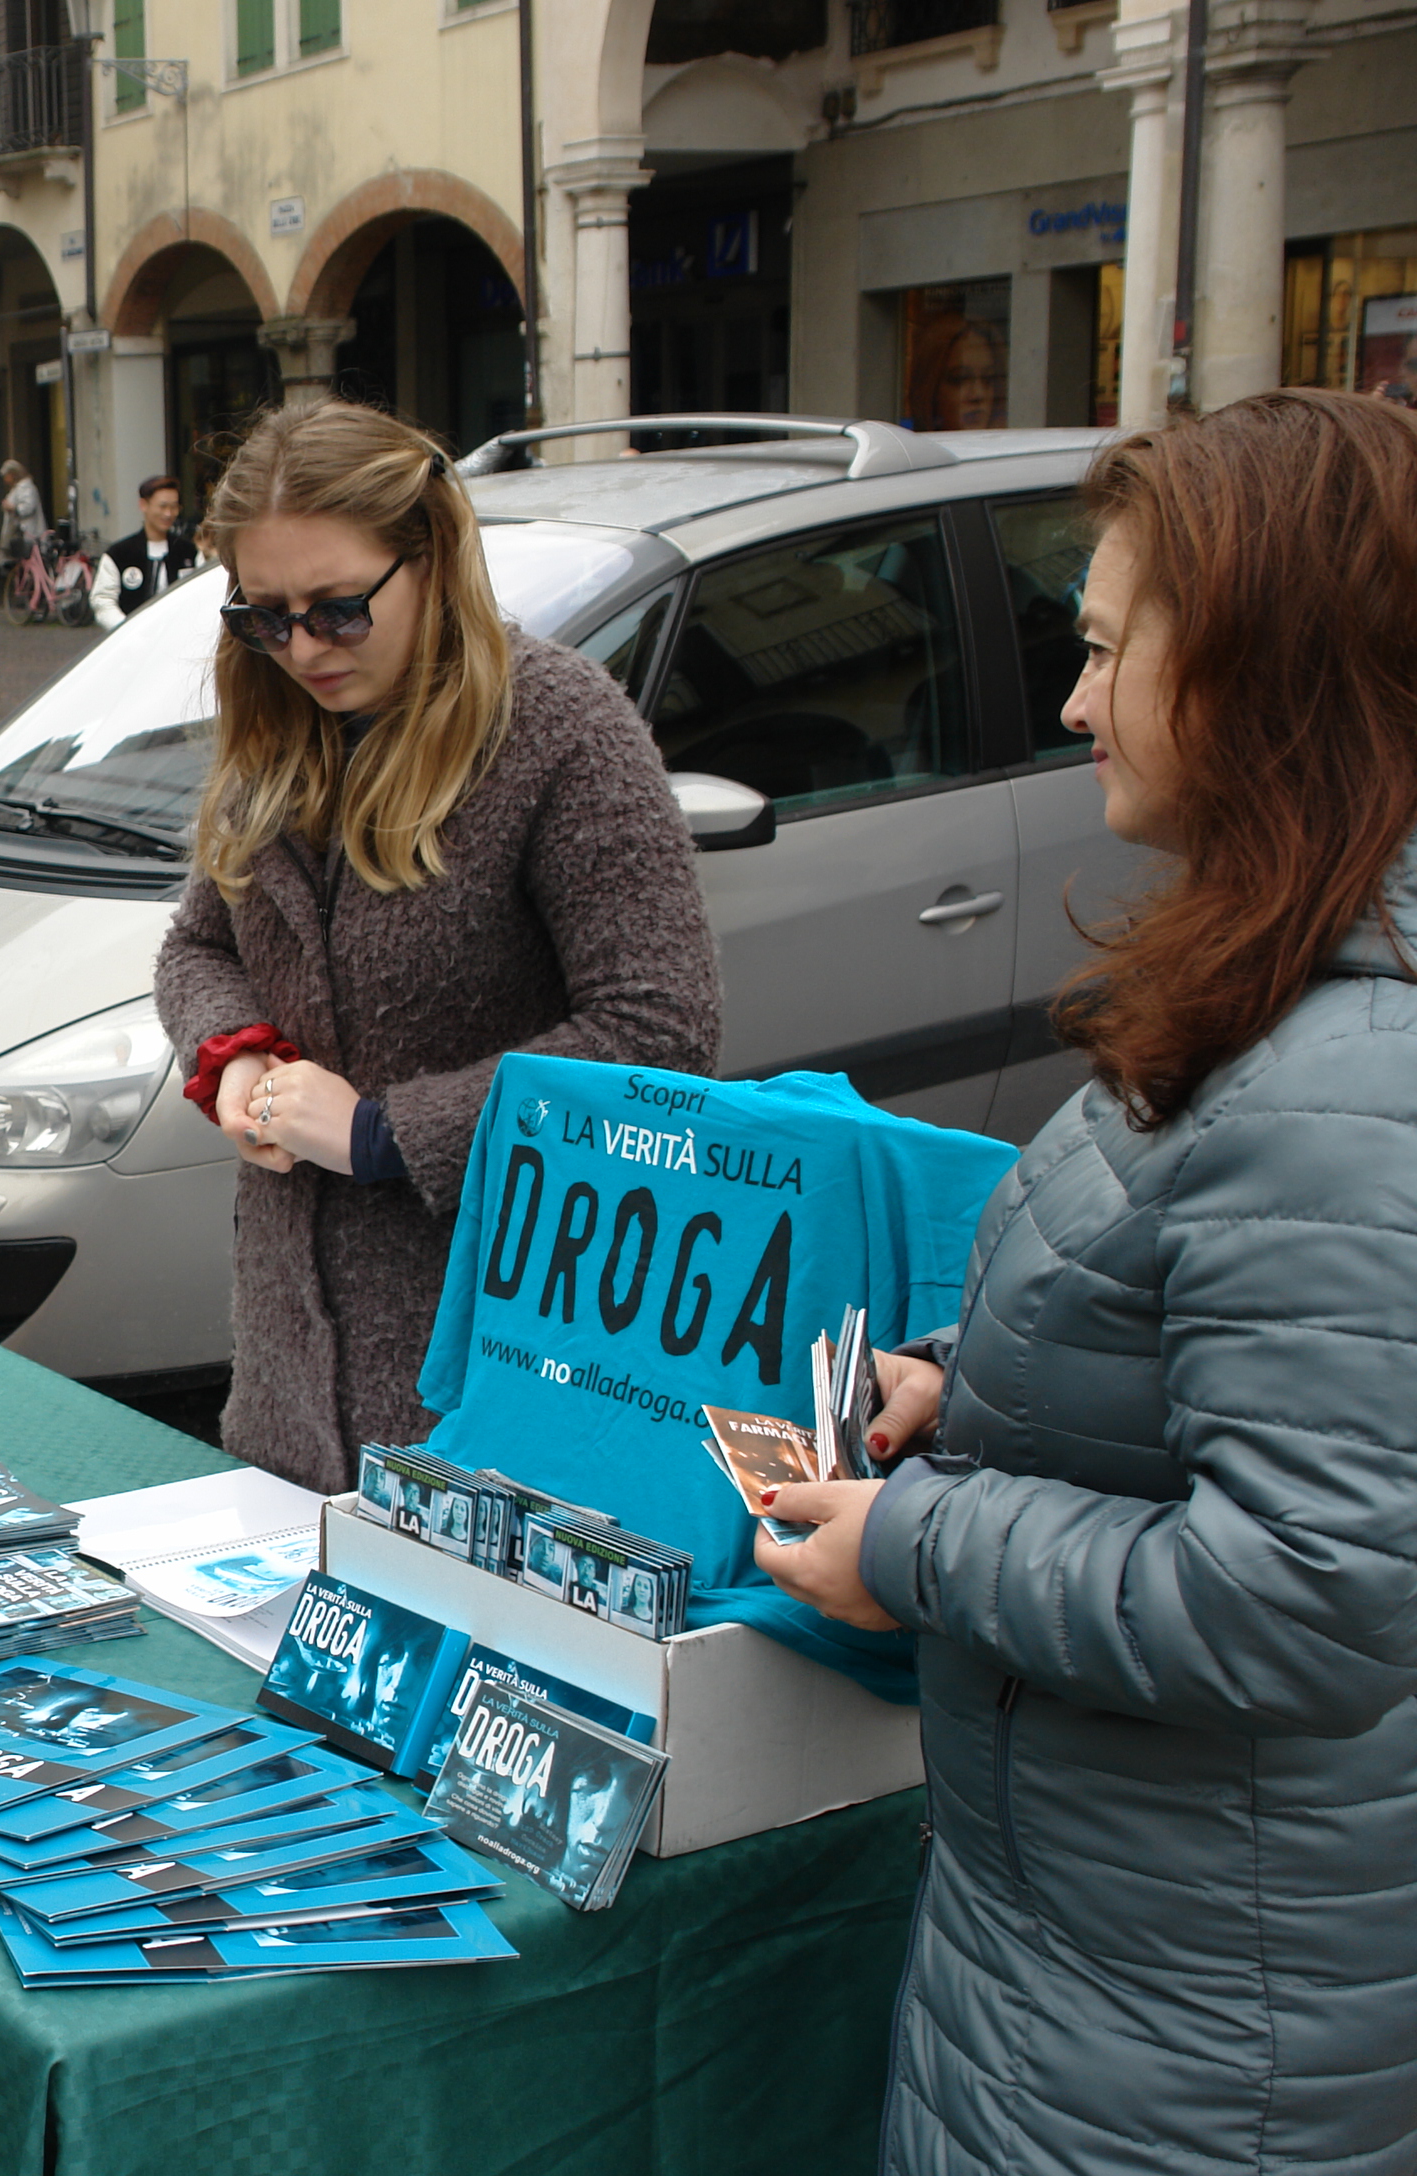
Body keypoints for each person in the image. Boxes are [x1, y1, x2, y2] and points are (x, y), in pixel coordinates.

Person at [754, 389, 1417, 2176]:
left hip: (1196, 2040)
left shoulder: (1344, 1070)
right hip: (1114, 1962)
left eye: (1104, 650)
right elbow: (1214, 1338)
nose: (1064, 701)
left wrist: (911, 1546)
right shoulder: (1279, 967)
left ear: (1258, 680)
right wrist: (965, 1386)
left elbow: (1308, 1589)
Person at [151, 400, 718, 1488]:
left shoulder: (562, 729)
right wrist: (234, 1058)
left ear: (433, 559)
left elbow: (662, 1031)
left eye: (338, 609)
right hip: (286, 1385)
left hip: (496, 1376)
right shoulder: (277, 725)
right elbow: (195, 947)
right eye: (264, 615)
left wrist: (386, 1133)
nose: (302, 646)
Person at [91, 473, 202, 632]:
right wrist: (127, 630)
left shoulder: (188, 552)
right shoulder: (119, 554)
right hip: (132, 640)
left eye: (174, 507)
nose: (168, 514)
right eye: (163, 506)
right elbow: (103, 600)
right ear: (144, 505)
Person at [0, 459, 46, 579]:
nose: (5, 480)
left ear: (13, 474)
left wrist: (12, 508)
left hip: (28, 531)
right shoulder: (18, 488)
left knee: (29, 561)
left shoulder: (27, 488)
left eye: (6, 476)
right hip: (20, 532)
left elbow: (28, 507)